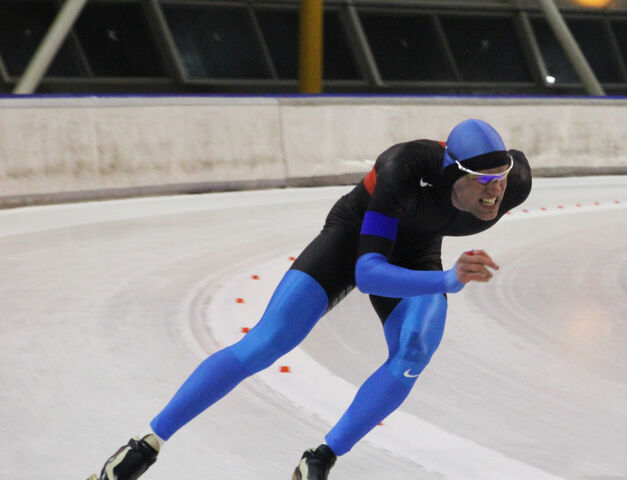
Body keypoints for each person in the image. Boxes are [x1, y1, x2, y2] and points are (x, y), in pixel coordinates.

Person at [89, 118, 532, 480]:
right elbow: (368, 273)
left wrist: (440, 271)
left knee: (414, 353)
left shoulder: (513, 184)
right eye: (484, 180)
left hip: (418, 249)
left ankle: (319, 459)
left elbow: (494, 185)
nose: (495, 192)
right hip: (353, 237)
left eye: (501, 177)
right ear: (453, 172)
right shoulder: (404, 167)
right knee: (267, 342)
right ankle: (142, 448)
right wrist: (447, 281)